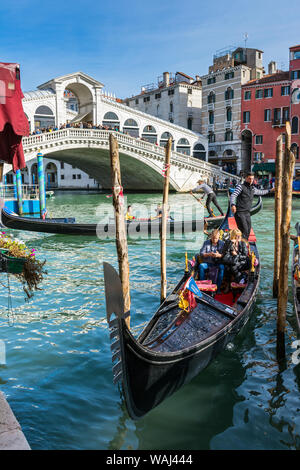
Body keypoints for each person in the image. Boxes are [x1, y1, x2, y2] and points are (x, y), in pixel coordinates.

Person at [230, 172, 274, 240]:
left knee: (248, 230)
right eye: (249, 178)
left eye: (252, 179)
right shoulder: (240, 186)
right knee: (244, 230)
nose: (251, 180)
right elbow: (233, 195)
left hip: (247, 212)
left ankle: (244, 243)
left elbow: (260, 192)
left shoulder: (253, 188)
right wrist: (233, 205)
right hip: (239, 212)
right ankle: (242, 245)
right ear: (246, 178)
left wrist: (270, 190)